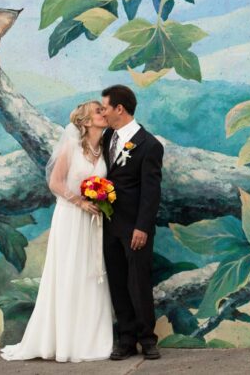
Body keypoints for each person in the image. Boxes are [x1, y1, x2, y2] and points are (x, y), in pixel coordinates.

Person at [0, 101, 113, 363]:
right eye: (98, 111)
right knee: (69, 273)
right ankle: (63, 341)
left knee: (91, 274)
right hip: (71, 217)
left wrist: (101, 200)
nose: (104, 114)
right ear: (86, 122)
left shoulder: (103, 150)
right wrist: (80, 202)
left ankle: (90, 340)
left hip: (93, 220)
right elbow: (55, 182)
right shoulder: (71, 147)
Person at [100, 84, 164, 361]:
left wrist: (142, 227)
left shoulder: (149, 145)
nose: (102, 112)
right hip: (109, 225)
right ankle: (125, 339)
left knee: (139, 283)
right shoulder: (106, 138)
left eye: (105, 108)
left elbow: (151, 192)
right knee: (117, 283)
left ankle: (147, 339)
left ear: (119, 109)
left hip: (135, 228)